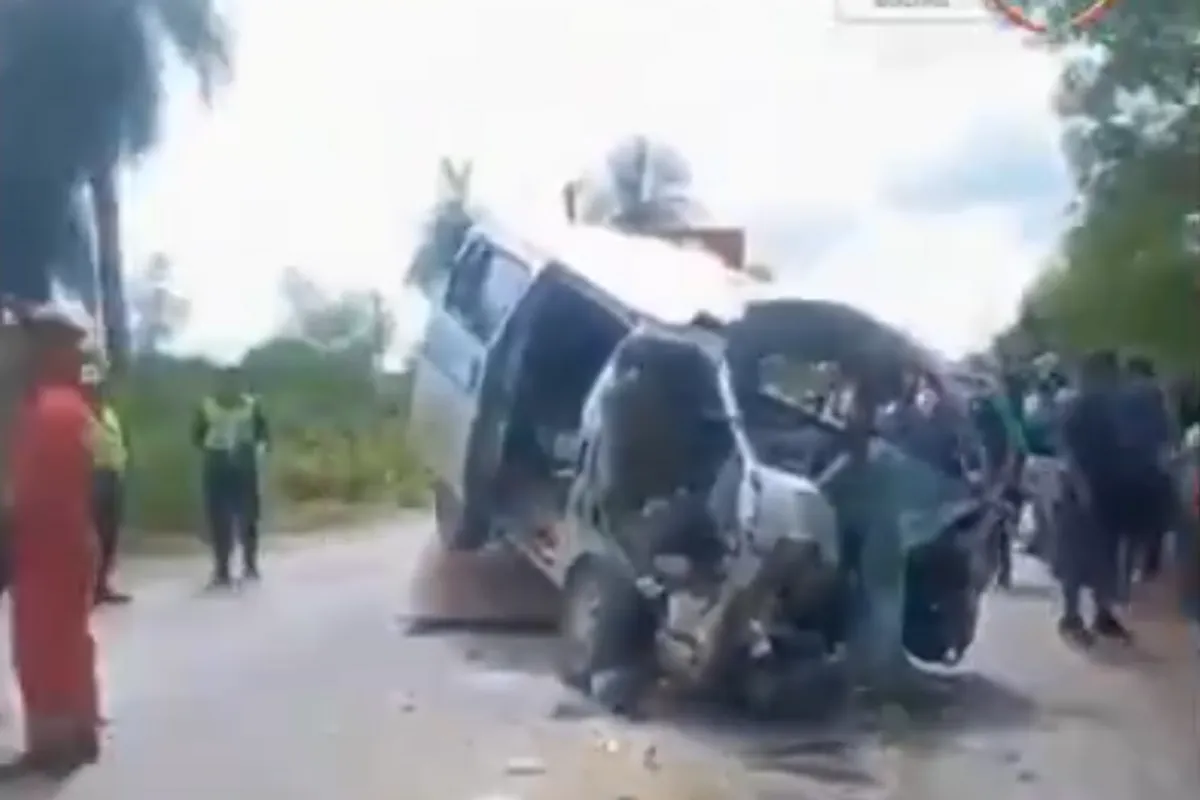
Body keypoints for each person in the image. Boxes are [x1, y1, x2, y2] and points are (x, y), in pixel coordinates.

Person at [2, 300, 102, 776]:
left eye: (30, 338)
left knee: (41, 649)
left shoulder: (48, 411)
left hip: (46, 547)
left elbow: (31, 494)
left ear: (51, 346)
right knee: (70, 641)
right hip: (71, 541)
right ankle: (81, 732)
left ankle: (51, 747)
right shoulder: (74, 404)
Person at [1057, 350, 1134, 646]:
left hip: (1107, 489)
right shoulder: (1077, 408)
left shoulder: (1109, 408)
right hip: (1080, 491)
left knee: (1106, 555)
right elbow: (1070, 453)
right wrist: (1081, 488)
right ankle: (1070, 616)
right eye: (1111, 374)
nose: (1116, 380)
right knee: (1076, 556)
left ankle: (1102, 614)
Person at [193, 366, 268, 587]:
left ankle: (250, 564)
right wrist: (215, 450)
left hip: (245, 465)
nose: (231, 387)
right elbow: (197, 436)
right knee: (219, 519)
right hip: (217, 465)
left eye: (235, 382)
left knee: (249, 517)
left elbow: (263, 435)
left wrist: (256, 451)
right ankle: (222, 568)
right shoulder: (206, 406)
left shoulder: (252, 406)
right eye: (226, 382)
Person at [1117, 356, 1177, 581]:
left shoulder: (1121, 395)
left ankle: (1123, 576)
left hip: (1125, 465)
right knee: (1154, 523)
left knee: (1126, 527)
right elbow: (1168, 428)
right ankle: (1149, 571)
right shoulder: (1156, 394)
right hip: (1150, 465)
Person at [82, 365, 131, 605]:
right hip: (90, 477)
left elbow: (119, 443)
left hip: (112, 476)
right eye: (90, 387)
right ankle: (88, 587)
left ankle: (102, 584)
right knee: (92, 535)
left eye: (99, 387)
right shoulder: (79, 414)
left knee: (110, 534)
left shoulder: (109, 413)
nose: (96, 391)